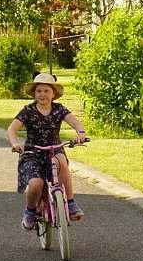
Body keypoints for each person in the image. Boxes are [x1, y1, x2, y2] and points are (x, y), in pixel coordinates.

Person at [7, 72, 88, 230]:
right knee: (36, 184)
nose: (42, 94)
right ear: (34, 93)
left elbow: (76, 123)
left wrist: (81, 133)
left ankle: (70, 202)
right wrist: (15, 143)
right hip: (32, 152)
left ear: (53, 94)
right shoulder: (28, 110)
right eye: (39, 91)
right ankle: (30, 211)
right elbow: (12, 129)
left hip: (54, 149)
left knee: (62, 162)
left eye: (46, 91)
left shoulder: (59, 109)